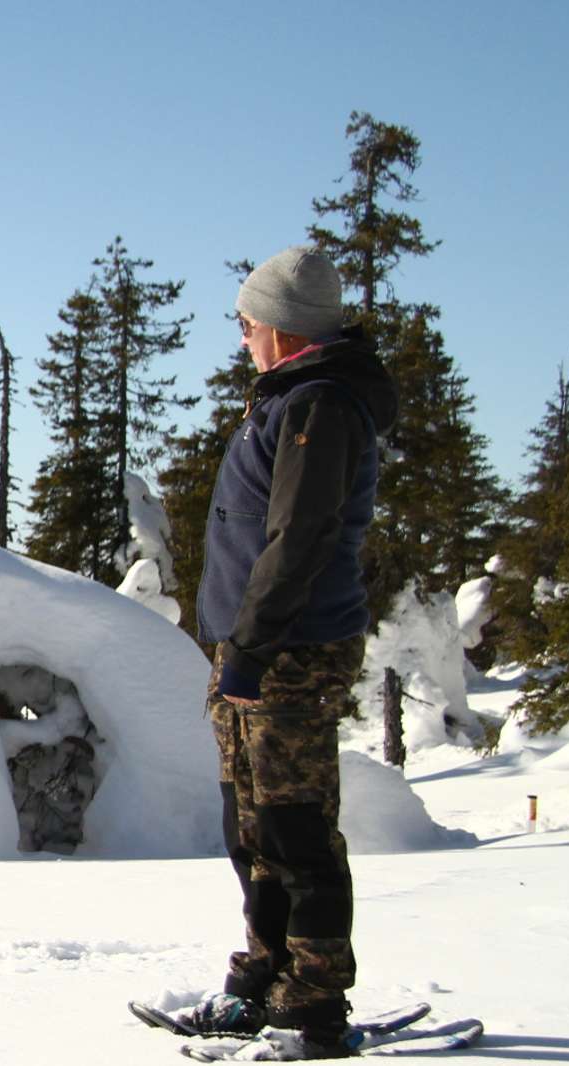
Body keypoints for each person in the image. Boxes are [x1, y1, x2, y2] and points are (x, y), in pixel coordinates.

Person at [184, 246, 398, 1058]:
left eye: (246, 322)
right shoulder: (288, 399)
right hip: (254, 646)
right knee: (250, 825)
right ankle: (267, 973)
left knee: (294, 825)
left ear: (280, 328)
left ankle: (314, 999)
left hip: (290, 649)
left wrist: (254, 643)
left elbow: (299, 537)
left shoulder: (320, 405)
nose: (241, 336)